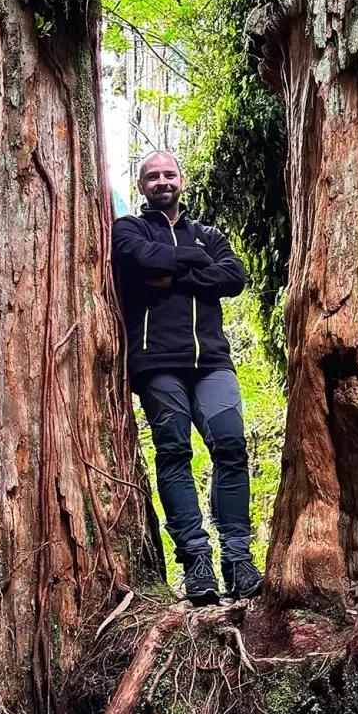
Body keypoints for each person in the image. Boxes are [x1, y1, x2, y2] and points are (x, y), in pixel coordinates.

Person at [111, 149, 263, 606]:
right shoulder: (129, 228)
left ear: (182, 181)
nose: (162, 181)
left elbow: (235, 276)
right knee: (174, 454)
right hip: (157, 363)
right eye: (152, 176)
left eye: (169, 174)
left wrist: (173, 271)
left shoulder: (208, 234)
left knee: (231, 449)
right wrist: (196, 266)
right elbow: (137, 260)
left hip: (213, 362)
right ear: (141, 186)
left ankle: (238, 559)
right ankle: (196, 563)